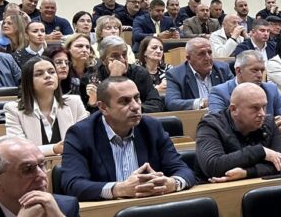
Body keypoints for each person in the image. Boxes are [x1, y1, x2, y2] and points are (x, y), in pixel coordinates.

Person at [61, 76, 194, 200]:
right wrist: (119, 189)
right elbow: (73, 184)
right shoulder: (81, 134)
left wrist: (172, 183)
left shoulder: (152, 128)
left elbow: (183, 170)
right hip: (108, 211)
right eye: (124, 101)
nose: (136, 106)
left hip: (151, 207)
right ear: (103, 107)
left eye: (137, 98)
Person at [195, 82, 281, 181]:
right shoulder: (210, 125)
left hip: (256, 186)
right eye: (255, 108)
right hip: (217, 188)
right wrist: (260, 151)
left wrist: (247, 172)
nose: (262, 113)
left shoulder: (268, 122)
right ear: (234, 109)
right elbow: (213, 167)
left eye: (264, 107)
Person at [4, 57, 89, 154]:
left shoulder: (74, 103)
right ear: (28, 81)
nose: (48, 76)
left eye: (52, 72)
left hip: (72, 162)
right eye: (39, 74)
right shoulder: (13, 109)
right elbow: (19, 149)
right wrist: (53, 149)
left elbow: (87, 141)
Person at [208, 50, 281, 134]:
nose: (260, 75)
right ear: (238, 71)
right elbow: (220, 125)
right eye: (254, 70)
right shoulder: (219, 93)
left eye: (262, 70)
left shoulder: (271, 89)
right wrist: (269, 127)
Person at [84, 36, 164, 113]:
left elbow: (157, 105)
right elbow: (91, 113)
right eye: (115, 56)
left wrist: (133, 109)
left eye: (124, 54)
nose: (122, 60)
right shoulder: (93, 77)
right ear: (103, 60)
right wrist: (114, 78)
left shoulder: (140, 73)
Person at [165, 37, 232, 111]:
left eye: (209, 52)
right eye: (201, 54)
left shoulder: (222, 69)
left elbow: (235, 93)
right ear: (188, 58)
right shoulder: (176, 75)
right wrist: (202, 103)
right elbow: (172, 103)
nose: (208, 58)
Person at [62, 33, 95, 98]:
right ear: (68, 49)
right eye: (79, 46)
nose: (85, 50)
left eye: (87, 47)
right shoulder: (63, 69)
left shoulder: (95, 69)